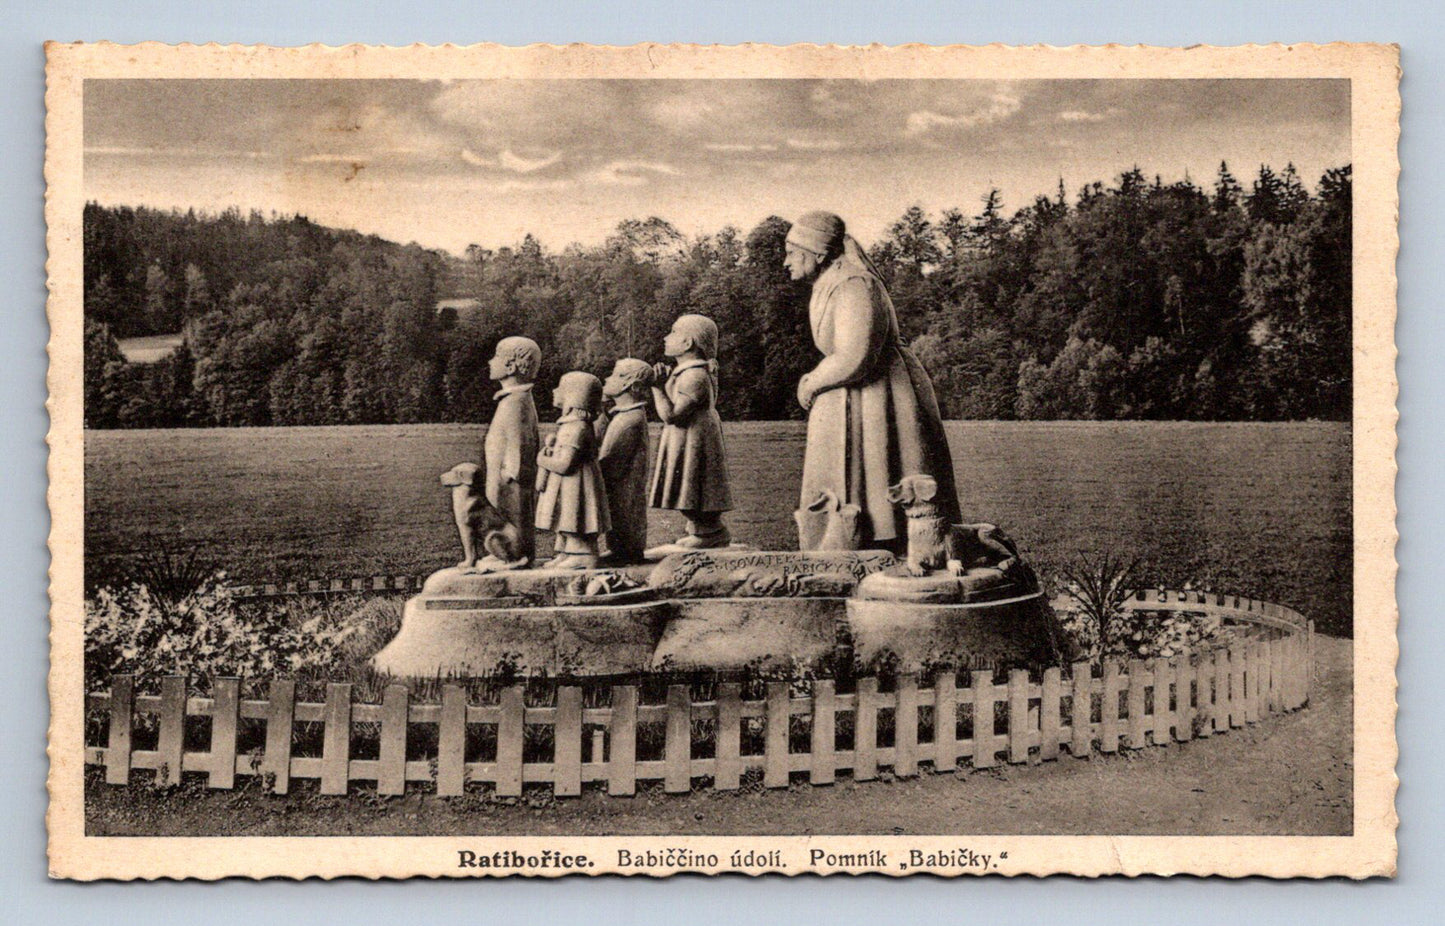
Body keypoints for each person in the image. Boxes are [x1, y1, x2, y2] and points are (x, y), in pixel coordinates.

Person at [784, 211, 961, 553]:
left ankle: (889, 547)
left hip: (880, 393)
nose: (786, 261)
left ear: (817, 253)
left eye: (792, 252)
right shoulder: (834, 282)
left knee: (883, 472)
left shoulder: (855, 284)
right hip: (858, 393)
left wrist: (812, 381)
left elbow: (856, 355)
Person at [648, 314, 734, 550]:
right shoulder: (689, 372)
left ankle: (710, 532)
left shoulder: (694, 376)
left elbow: (673, 416)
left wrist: (656, 388)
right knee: (691, 486)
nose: (666, 338)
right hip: (689, 438)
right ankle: (702, 530)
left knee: (695, 486)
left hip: (694, 438)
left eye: (674, 332)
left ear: (688, 343)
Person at [535, 371, 611, 569]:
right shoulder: (574, 425)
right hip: (573, 482)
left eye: (560, 387)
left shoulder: (575, 428)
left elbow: (565, 465)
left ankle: (583, 553)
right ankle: (567, 551)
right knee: (566, 516)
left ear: (574, 397)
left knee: (575, 515)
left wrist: (542, 460)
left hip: (576, 482)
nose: (555, 391)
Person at [480, 336, 541, 568]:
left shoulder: (516, 401)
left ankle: (516, 555)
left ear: (511, 366)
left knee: (513, 515)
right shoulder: (513, 399)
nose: (490, 361)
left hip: (509, 479)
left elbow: (520, 440)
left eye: (497, 356)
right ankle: (505, 554)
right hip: (502, 477)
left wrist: (511, 471)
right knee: (501, 514)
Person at [598, 358, 654, 564]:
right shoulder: (625, 416)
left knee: (625, 512)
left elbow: (610, 462)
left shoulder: (629, 420)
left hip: (624, 485)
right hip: (622, 485)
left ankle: (627, 552)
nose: (607, 379)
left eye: (615, 375)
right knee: (621, 512)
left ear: (632, 386)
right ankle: (621, 550)